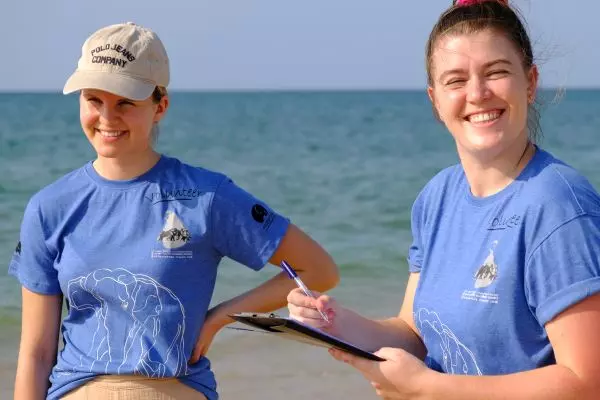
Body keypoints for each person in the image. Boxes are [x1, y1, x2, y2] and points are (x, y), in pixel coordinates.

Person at [9, 22, 339, 400]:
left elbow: (319, 269)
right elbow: (36, 353)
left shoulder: (205, 195)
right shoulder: (49, 206)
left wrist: (220, 317)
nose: (106, 117)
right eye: (93, 100)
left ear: (160, 106)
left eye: (125, 102)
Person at [288, 0, 600, 398]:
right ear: (435, 100)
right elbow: (416, 334)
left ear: (531, 81)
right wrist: (335, 322)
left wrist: (430, 388)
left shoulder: (559, 205)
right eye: (456, 80)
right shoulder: (437, 197)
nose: (478, 94)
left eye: (497, 72)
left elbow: (587, 382)